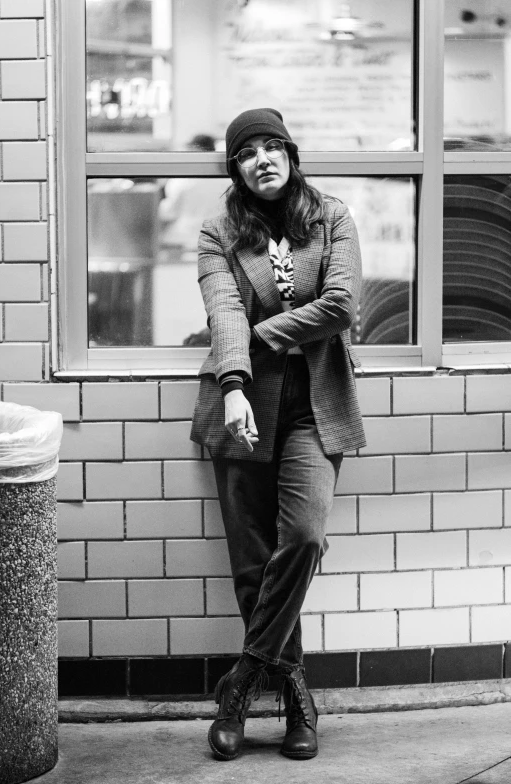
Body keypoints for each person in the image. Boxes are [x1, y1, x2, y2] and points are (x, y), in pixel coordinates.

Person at [190, 108, 366, 761]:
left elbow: (344, 304)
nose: (262, 159)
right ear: (234, 167)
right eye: (247, 152)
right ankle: (294, 691)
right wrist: (235, 382)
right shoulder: (218, 232)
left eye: (272, 146)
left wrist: (266, 336)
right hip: (241, 406)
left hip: (314, 406)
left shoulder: (332, 217)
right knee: (250, 562)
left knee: (304, 537)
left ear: (290, 153)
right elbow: (224, 310)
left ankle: (240, 682)